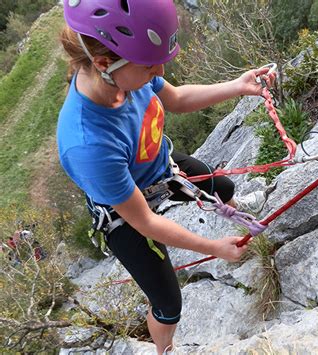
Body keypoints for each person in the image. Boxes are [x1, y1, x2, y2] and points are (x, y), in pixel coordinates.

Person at [57, 1, 275, 353]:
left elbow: (175, 98)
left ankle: (240, 214)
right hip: (125, 217)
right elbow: (145, 222)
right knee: (168, 305)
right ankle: (165, 349)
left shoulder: (128, 68)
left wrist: (237, 86)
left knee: (221, 186)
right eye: (149, 64)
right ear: (102, 63)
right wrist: (213, 248)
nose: (159, 69)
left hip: (161, 167)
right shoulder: (87, 144)